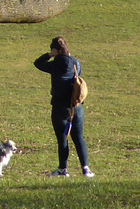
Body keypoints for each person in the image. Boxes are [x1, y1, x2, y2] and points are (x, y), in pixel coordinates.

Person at [33, 36, 93, 178]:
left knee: (63, 139)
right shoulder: (75, 63)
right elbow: (79, 75)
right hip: (76, 106)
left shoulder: (56, 64)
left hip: (60, 107)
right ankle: (86, 169)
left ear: (55, 49)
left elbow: (38, 63)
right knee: (79, 138)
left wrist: (50, 55)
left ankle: (62, 169)